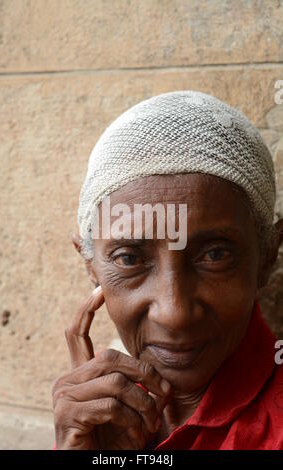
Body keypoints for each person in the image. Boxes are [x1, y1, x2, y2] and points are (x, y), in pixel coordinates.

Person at [52, 91, 283, 450]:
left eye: (215, 255)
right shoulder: (97, 415)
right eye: (129, 259)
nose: (174, 314)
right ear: (90, 264)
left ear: (268, 256)